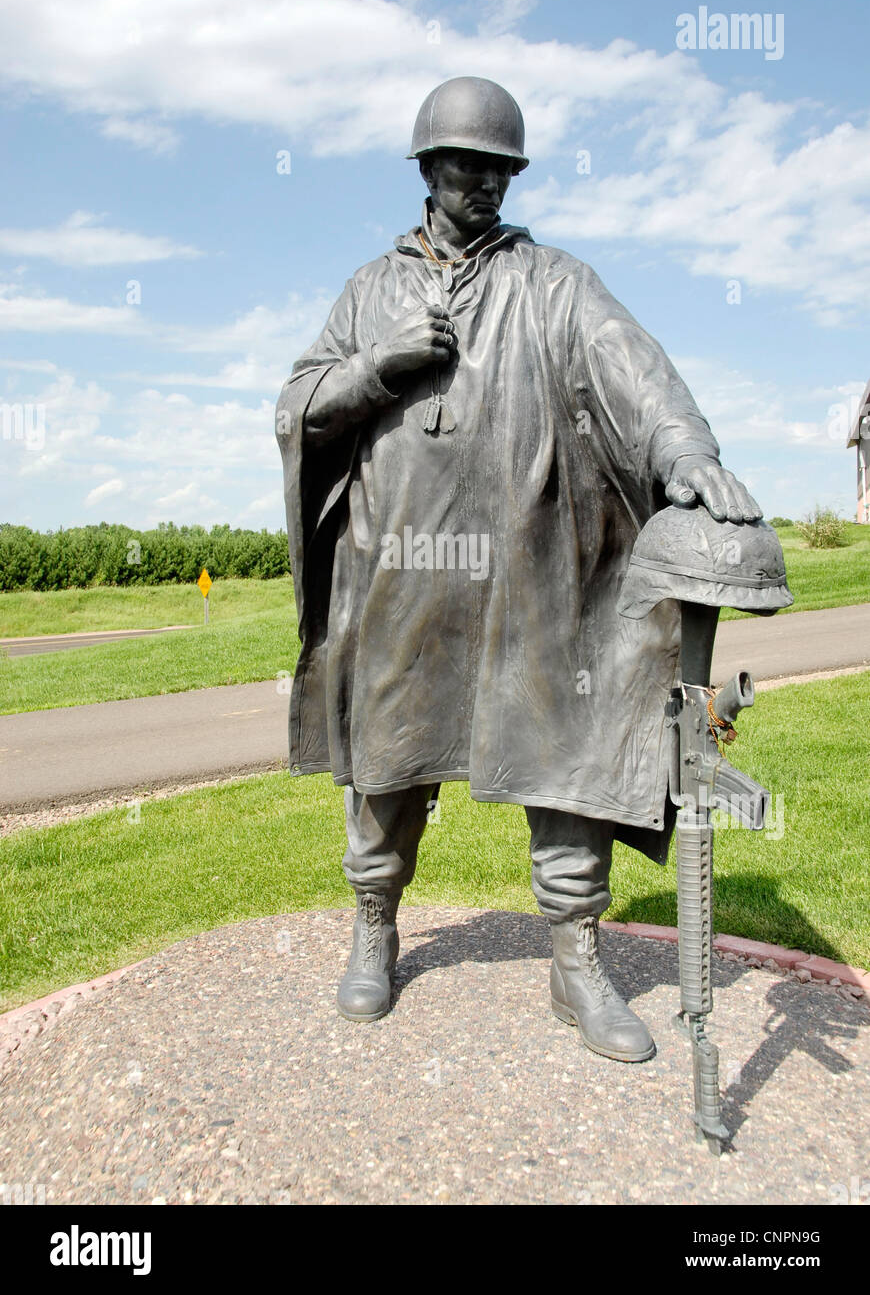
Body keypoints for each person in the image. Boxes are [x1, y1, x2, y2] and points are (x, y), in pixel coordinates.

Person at [276, 76, 760, 1062]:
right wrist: (383, 364)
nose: (487, 183)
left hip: (529, 566)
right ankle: (375, 926)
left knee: (567, 744)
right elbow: (298, 407)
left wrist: (686, 452)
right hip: (398, 559)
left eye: (502, 168)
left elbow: (633, 366)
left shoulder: (553, 282)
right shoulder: (371, 289)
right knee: (384, 756)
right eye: (469, 166)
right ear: (427, 168)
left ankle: (576, 961)